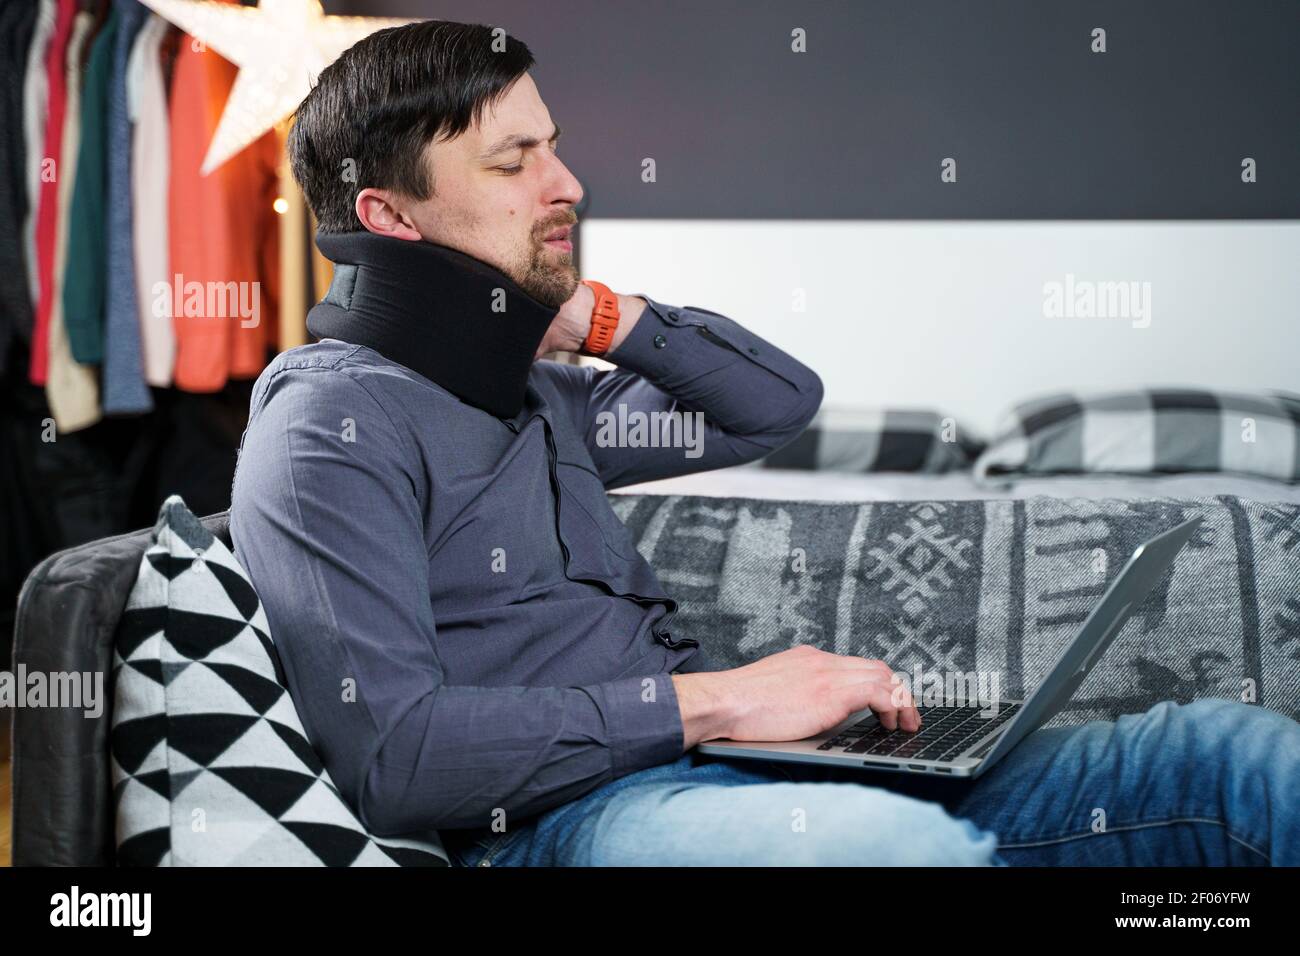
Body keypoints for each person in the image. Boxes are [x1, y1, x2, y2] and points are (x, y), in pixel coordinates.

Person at [230, 20, 1299, 867]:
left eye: (553, 148)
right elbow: (397, 756)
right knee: (887, 849)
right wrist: (725, 698)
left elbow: (772, 407)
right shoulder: (330, 430)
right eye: (516, 162)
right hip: (564, 823)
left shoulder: (543, 400)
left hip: (730, 772)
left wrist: (604, 318)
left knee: (1219, 754)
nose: (568, 186)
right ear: (391, 216)